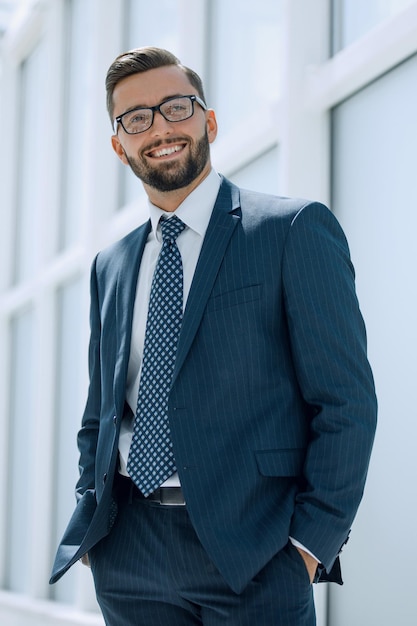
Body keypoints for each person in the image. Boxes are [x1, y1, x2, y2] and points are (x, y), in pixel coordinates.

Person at [50, 46, 377, 625]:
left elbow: (345, 402)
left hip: (256, 553)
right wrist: (92, 514)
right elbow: (100, 413)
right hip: (130, 550)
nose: (160, 128)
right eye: (136, 118)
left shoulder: (291, 230)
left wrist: (309, 546)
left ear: (210, 121)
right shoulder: (111, 264)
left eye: (176, 107)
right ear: (119, 144)